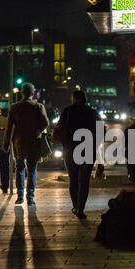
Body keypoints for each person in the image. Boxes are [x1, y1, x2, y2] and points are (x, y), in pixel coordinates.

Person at [55, 90, 101, 219]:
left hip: (70, 149)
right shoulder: (92, 113)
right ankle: (81, 208)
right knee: (84, 181)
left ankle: (75, 206)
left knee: (73, 179)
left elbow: (59, 128)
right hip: (88, 149)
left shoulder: (67, 111)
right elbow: (101, 131)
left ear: (74, 98)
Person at [3, 83, 49, 206]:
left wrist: (6, 143)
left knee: (20, 168)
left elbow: (8, 128)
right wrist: (37, 130)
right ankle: (30, 197)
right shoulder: (38, 106)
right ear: (33, 93)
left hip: (19, 142)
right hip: (34, 141)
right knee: (32, 169)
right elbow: (45, 123)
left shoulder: (14, 107)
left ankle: (20, 196)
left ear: (22, 93)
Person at [124, 117, 135, 184]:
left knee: (130, 164)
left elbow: (125, 140)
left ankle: (131, 174)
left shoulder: (128, 129)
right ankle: (134, 177)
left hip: (130, 149)